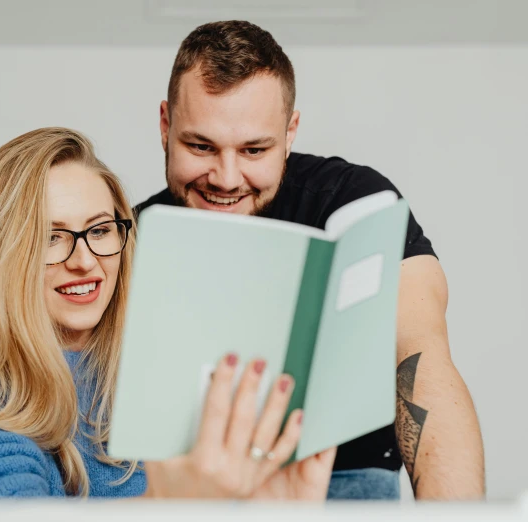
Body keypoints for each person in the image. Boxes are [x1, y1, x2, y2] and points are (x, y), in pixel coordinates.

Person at [134, 20, 485, 501]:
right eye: (201, 146)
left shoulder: (354, 201)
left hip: (344, 480)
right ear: (165, 126)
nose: (226, 178)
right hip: (178, 491)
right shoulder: (121, 238)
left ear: (290, 131)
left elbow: (417, 353)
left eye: (254, 149)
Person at [0, 127, 336, 499]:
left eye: (100, 230)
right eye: (51, 237)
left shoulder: (157, 369)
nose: (85, 260)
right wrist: (175, 507)